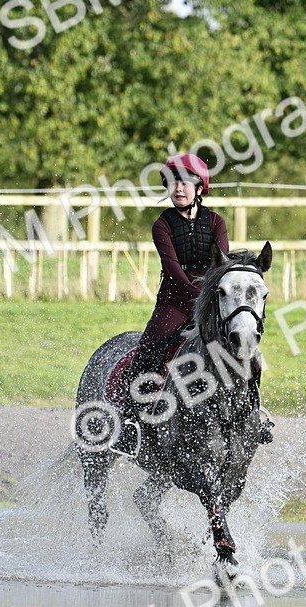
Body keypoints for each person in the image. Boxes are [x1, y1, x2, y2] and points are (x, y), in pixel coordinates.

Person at [113, 153, 272, 455]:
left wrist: (210, 299)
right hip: (174, 302)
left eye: (185, 183)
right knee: (148, 349)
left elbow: (220, 266)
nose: (178, 189)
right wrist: (196, 297)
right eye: (172, 184)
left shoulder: (216, 222)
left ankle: (253, 415)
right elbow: (172, 268)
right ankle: (129, 421)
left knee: (250, 354)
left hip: (213, 301)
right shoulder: (162, 225)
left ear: (199, 187)